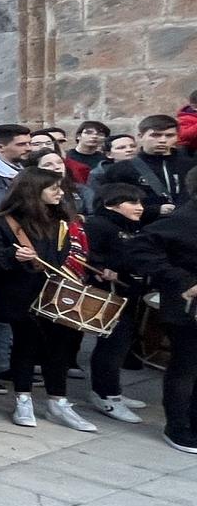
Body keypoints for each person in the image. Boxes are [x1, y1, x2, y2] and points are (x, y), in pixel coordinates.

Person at [0, 168, 100, 431]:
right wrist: (14, 257)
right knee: (26, 345)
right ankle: (23, 398)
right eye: (53, 188)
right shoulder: (1, 222)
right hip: (19, 294)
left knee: (59, 346)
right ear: (33, 191)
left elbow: (59, 258)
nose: (60, 193)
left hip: (52, 293)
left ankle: (58, 400)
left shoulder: (58, 222)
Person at [128, 192, 197, 453]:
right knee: (186, 365)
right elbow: (139, 248)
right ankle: (178, 427)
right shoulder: (186, 217)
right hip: (187, 305)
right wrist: (183, 280)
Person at [83, 183, 149, 424]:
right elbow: (88, 254)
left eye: (140, 203)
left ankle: (113, 390)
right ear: (112, 204)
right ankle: (106, 394)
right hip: (108, 294)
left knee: (121, 344)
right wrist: (101, 268)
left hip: (128, 292)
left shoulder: (129, 226)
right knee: (112, 345)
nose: (139, 208)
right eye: (132, 202)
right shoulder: (99, 224)